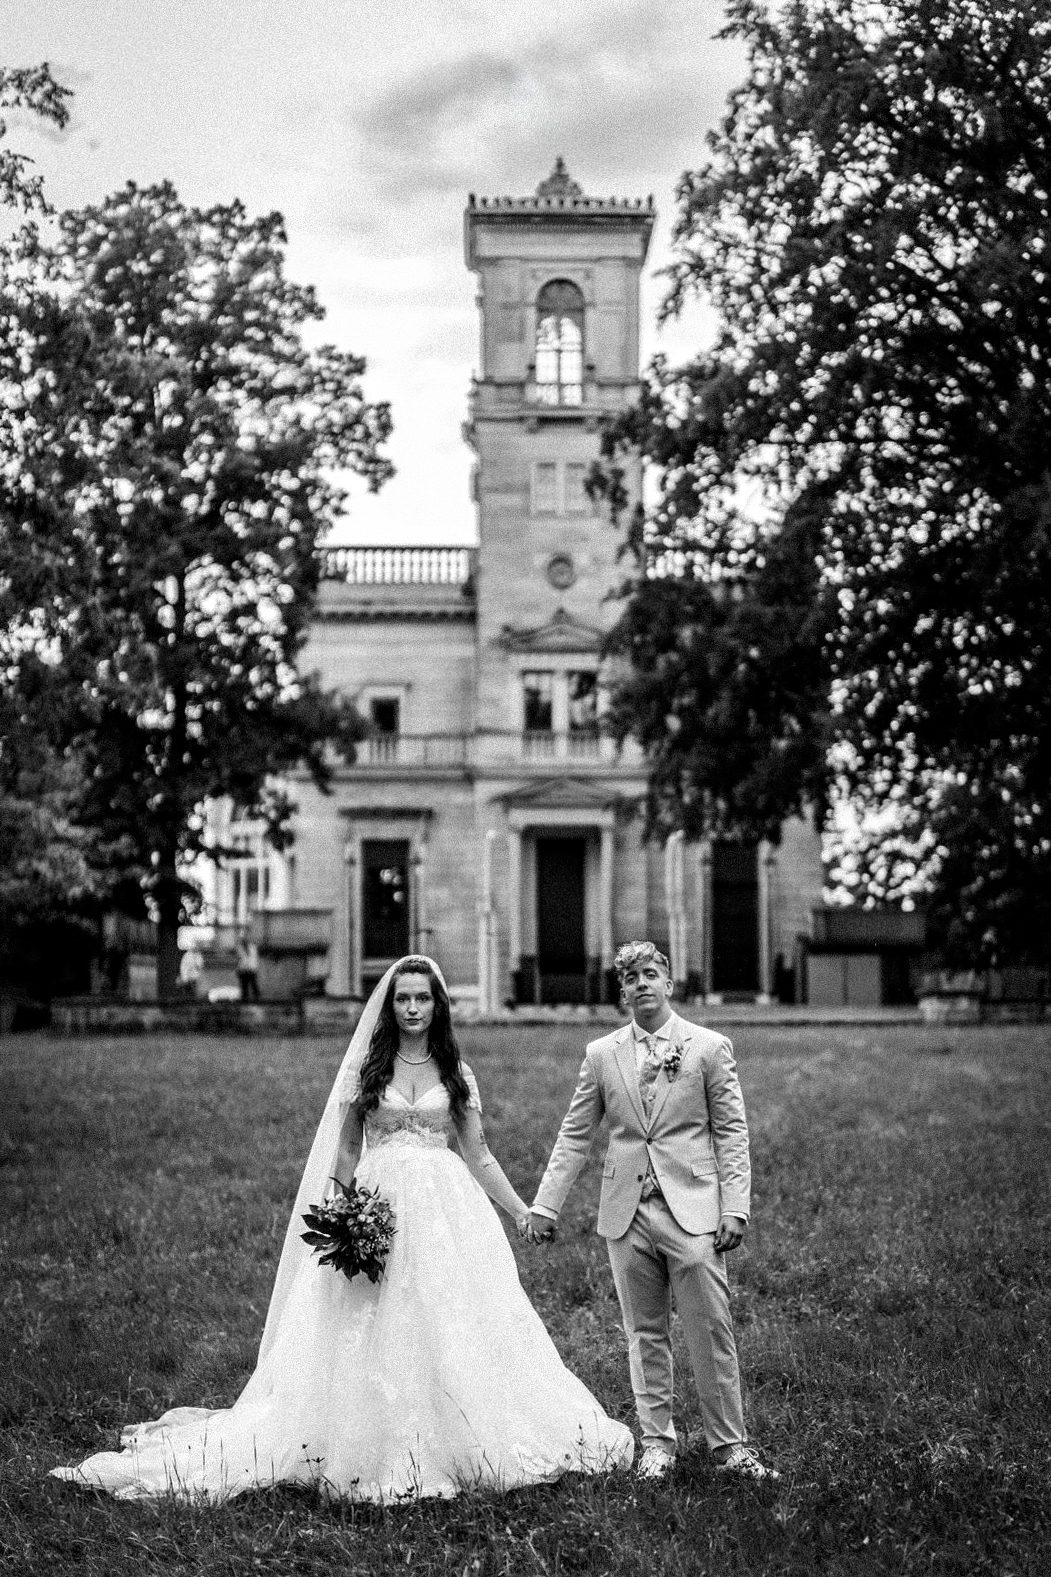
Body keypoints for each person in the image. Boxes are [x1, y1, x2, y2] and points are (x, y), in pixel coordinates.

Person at [50, 955, 632, 1502]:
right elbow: (346, 1154)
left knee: (453, 1312)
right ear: (390, 1006)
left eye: (421, 999)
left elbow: (479, 1155)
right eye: (402, 999)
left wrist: (521, 1211)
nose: (410, 1009)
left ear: (437, 1006)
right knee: (367, 1315)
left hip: (446, 1208)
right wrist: (339, 1216)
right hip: (376, 1203)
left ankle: (463, 1426)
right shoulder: (367, 1070)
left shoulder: (457, 1072)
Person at [525, 940, 778, 1483]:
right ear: (622, 992)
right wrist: (546, 1204)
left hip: (694, 1210)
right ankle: (657, 1445)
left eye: (651, 974)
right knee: (644, 1332)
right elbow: (575, 1135)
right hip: (626, 1212)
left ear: (668, 982)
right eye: (631, 978)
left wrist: (735, 1207)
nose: (641, 984)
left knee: (711, 1329)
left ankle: (730, 1446)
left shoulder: (708, 1048)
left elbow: (732, 1132)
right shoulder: (601, 1054)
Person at [235, 930, 260, 1001]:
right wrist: (238, 969)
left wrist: (254, 967)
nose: (245, 941)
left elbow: (254, 959)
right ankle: (245, 1001)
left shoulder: (253, 948)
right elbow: (239, 960)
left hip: (250, 969)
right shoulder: (240, 948)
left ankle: (256, 1000)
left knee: (254, 986)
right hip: (243, 970)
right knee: (244, 987)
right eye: (243, 939)